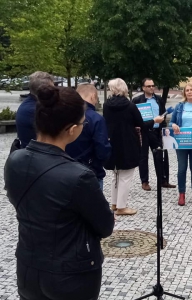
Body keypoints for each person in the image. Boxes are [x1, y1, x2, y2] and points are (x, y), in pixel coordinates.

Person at [4, 85, 114, 300]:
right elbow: (105, 226)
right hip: (70, 275)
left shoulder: (14, 160)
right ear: (72, 129)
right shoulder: (79, 176)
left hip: (28, 266)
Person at [104, 78, 163, 215]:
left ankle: (114, 203)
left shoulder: (107, 105)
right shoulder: (129, 105)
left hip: (112, 142)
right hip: (128, 143)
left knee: (116, 174)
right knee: (125, 176)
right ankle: (121, 207)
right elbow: (141, 125)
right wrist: (154, 120)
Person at [65, 84, 111, 190]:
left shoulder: (65, 114)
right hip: (90, 171)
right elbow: (102, 149)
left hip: (65, 170)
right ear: (93, 96)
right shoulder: (96, 119)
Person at [133, 78, 176, 191]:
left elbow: (163, 113)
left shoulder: (159, 99)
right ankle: (145, 181)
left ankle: (163, 180)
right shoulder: (137, 100)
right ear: (143, 88)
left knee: (160, 156)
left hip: (156, 132)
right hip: (143, 132)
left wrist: (163, 122)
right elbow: (133, 117)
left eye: (153, 85)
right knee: (143, 157)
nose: (151, 88)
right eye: (149, 86)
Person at [16, 71, 54, 148]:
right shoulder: (34, 110)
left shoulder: (30, 104)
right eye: (52, 89)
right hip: (36, 156)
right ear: (44, 90)